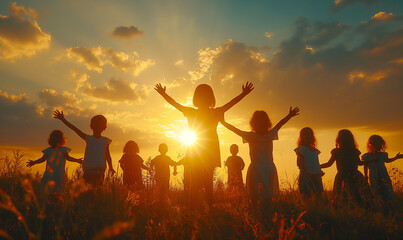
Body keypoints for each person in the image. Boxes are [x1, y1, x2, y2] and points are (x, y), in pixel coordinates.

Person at [155, 82, 254, 208]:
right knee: (208, 184)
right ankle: (209, 210)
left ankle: (193, 211)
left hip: (195, 152)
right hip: (209, 152)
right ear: (211, 98)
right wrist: (243, 94)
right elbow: (231, 103)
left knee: (194, 185)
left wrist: (164, 94)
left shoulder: (190, 111)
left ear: (196, 98)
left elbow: (175, 104)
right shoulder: (216, 112)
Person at [220, 107, 300, 204]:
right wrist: (289, 116)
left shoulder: (251, 136)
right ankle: (267, 214)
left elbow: (235, 130)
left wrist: (223, 122)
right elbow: (280, 124)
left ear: (253, 123)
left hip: (256, 168)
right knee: (267, 197)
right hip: (268, 168)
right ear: (268, 123)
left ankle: (258, 214)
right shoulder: (270, 134)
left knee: (255, 196)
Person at [53, 110, 115, 187]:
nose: (98, 127)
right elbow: (74, 129)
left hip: (99, 172)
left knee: (96, 192)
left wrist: (111, 167)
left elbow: (108, 155)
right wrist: (63, 120)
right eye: (97, 125)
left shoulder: (105, 141)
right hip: (90, 171)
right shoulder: (89, 138)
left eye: (99, 125)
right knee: (90, 191)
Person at [320, 129, 370, 204]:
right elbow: (359, 163)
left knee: (339, 194)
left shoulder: (337, 151)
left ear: (339, 139)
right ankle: (360, 208)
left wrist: (317, 166)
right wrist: (369, 161)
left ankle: (340, 208)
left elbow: (329, 164)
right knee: (356, 193)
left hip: (341, 175)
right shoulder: (354, 151)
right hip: (354, 174)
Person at [362, 135, 403, 201]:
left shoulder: (383, 155)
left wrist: (396, 157)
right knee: (376, 190)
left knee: (386, 189)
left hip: (383, 174)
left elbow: (387, 160)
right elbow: (365, 165)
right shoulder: (367, 156)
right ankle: (379, 204)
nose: (377, 146)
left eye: (379, 144)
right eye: (375, 144)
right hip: (374, 175)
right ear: (370, 145)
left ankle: (388, 203)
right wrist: (366, 175)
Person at [294, 127, 324, 198]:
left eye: (310, 134)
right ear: (301, 137)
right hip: (306, 175)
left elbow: (315, 163)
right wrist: (307, 172)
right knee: (306, 194)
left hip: (316, 175)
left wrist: (319, 171)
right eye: (306, 134)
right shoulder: (301, 149)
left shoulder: (315, 150)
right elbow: (299, 163)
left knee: (318, 194)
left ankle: (317, 208)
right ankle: (308, 208)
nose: (308, 136)